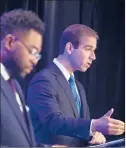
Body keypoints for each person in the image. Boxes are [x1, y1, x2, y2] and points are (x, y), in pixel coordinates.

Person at [27, 24, 125, 147]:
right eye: (88, 49)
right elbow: (52, 121)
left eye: (94, 51)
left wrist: (92, 135)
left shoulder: (79, 87)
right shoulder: (43, 80)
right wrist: (93, 125)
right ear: (69, 48)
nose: (93, 56)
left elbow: (79, 128)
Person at [0, 9, 44, 147]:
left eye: (37, 55)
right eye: (32, 51)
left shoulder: (15, 86)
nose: (35, 60)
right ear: (9, 42)